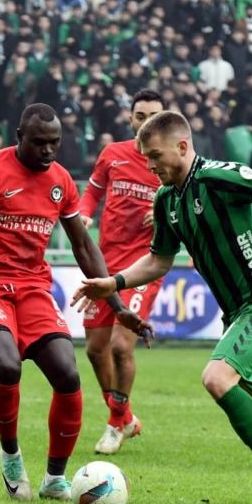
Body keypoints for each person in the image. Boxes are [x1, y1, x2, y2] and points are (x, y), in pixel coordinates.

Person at [74, 111, 252, 504]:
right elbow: (159, 261)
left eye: (156, 156)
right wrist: (114, 282)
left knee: (216, 377)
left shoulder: (219, 177)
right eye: (145, 158)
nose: (151, 165)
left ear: (182, 146)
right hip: (237, 310)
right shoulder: (166, 200)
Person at [0, 103, 149, 502]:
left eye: (55, 143)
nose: (48, 151)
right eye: (39, 143)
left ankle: (54, 479)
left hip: (33, 286)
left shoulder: (61, 181)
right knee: (7, 364)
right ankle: (11, 455)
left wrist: (117, 305)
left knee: (68, 374)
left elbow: (83, 244)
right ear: (19, 137)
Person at [76, 89, 164, 455]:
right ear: (131, 118)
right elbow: (93, 192)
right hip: (104, 261)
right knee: (95, 350)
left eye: (154, 116)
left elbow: (191, 207)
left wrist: (162, 212)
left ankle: (114, 425)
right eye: (140, 115)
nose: (146, 121)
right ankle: (126, 416)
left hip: (144, 265)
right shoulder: (112, 154)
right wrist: (83, 213)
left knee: (119, 344)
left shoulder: (173, 161)